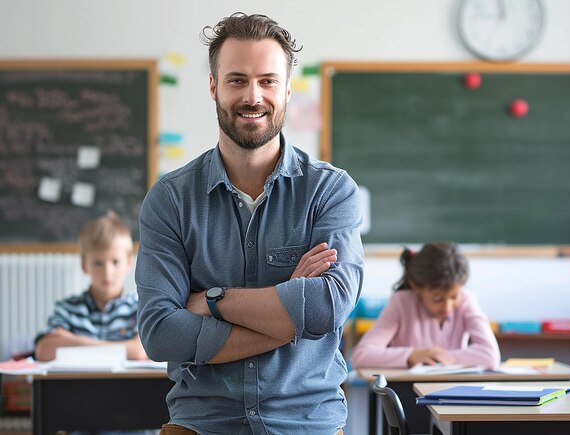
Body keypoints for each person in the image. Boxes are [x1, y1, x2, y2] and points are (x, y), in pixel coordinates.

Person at [135, 12, 364, 435]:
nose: (253, 95)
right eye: (237, 79)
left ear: (288, 90)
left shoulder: (331, 192)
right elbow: (160, 333)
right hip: (201, 423)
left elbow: (324, 308)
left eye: (268, 80)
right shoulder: (169, 199)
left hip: (307, 422)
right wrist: (287, 314)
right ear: (213, 87)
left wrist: (213, 300)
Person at [350, 242, 500, 370]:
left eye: (453, 297)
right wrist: (411, 355)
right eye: (437, 298)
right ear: (417, 287)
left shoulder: (466, 299)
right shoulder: (401, 302)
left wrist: (435, 357)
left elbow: (490, 356)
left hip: (454, 393)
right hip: (409, 394)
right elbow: (361, 355)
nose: (448, 307)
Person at [35, 211, 147, 362]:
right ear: (84, 265)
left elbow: (140, 352)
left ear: (128, 263)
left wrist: (72, 340)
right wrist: (125, 347)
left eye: (115, 262)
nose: (107, 272)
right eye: (98, 263)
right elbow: (44, 350)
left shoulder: (139, 308)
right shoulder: (68, 308)